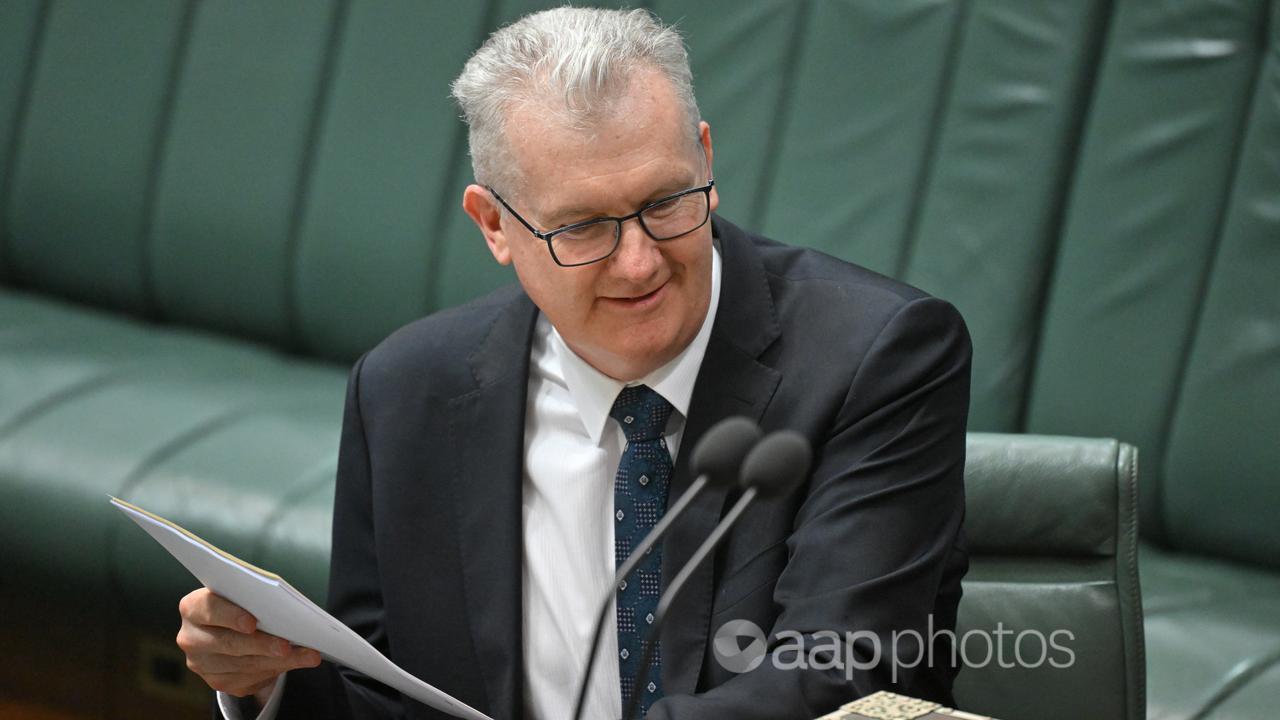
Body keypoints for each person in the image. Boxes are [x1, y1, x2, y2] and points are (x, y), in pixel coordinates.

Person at [176, 7, 971, 720]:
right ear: (493, 224)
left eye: (665, 203)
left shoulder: (880, 355)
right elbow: (385, 694)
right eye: (584, 228)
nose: (639, 264)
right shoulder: (408, 391)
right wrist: (265, 682)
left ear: (704, 157)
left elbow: (839, 677)